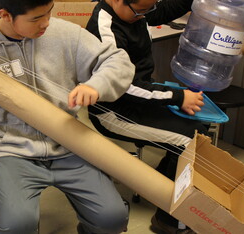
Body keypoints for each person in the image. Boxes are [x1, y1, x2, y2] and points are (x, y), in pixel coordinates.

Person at [0, 0, 135, 233]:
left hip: (68, 143)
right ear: (6, 15)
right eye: (36, 19)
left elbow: (117, 61)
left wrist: (96, 85)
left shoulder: (64, 33)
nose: (46, 23)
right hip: (10, 149)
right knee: (18, 225)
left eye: (49, 12)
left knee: (112, 218)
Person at [86, 0, 208, 233]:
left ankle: (158, 186)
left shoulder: (134, 12)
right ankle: (170, 221)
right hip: (114, 111)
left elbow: (163, 11)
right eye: (140, 11)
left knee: (197, 131)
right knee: (191, 142)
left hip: (141, 98)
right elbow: (121, 86)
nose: (145, 16)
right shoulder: (104, 29)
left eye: (149, 9)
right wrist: (177, 97)